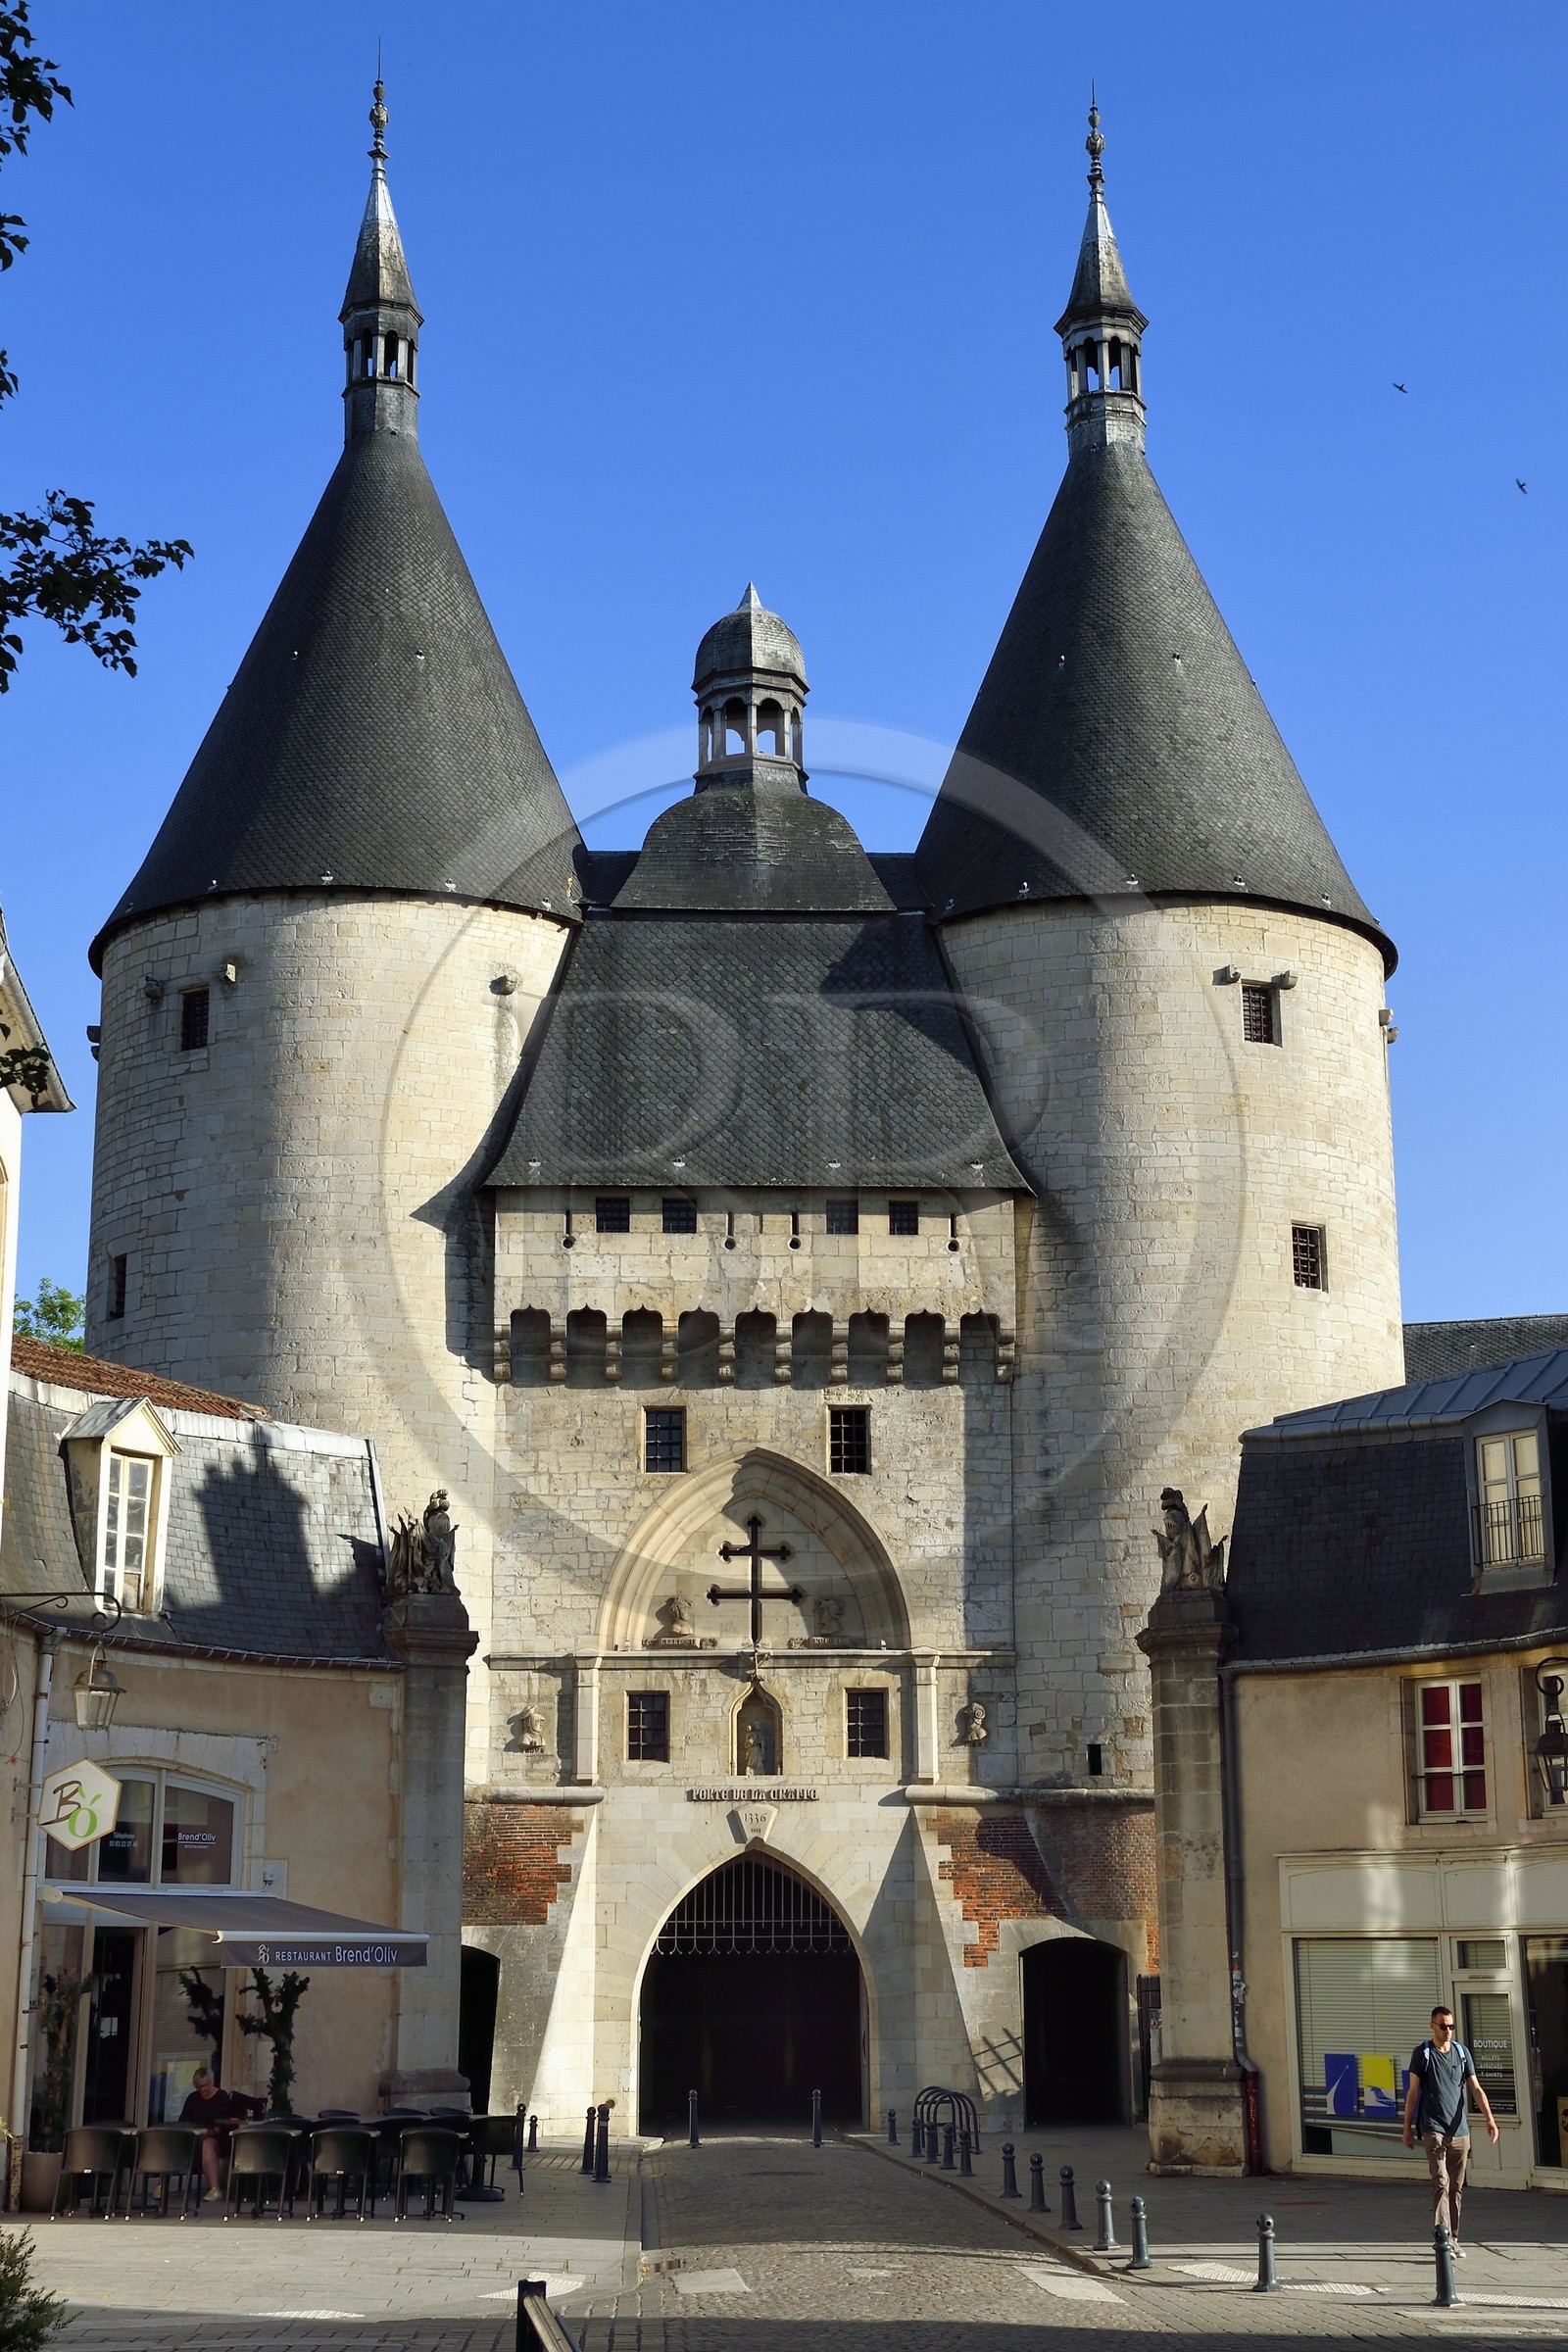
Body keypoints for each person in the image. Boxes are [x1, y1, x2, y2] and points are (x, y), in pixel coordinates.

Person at [1401, 2005, 1498, 2255]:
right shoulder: (1422, 2054)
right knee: (1441, 2181)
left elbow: (1475, 2088)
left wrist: (1490, 2119)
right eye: (1443, 2026)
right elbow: (1413, 2092)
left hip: (1460, 2130)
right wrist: (1407, 2128)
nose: (1447, 2031)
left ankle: (1453, 2238)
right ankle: (1442, 2236)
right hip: (1433, 2127)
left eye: (1451, 2026)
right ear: (1432, 2025)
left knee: (1456, 2187)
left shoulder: (1461, 2053)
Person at [178, 2064, 264, 2196]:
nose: (202, 2089)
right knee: (173, 2142)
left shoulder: (222, 2097)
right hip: (195, 2137)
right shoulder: (192, 2098)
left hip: (218, 2139)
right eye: (199, 2086)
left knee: (207, 2144)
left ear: (211, 2082)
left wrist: (210, 2132)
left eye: (205, 2085)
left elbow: (225, 2124)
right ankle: (162, 2186)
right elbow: (183, 2121)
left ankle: (214, 2188)